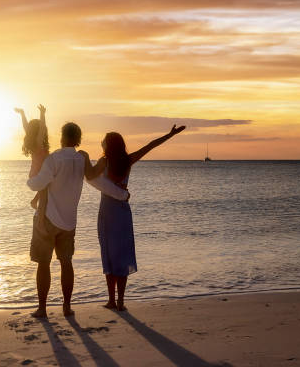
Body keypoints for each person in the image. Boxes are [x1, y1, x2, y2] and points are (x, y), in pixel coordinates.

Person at [27, 122, 130, 318]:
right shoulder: (81, 159)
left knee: (44, 263)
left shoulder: (54, 159)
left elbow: (36, 185)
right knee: (67, 264)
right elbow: (95, 179)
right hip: (69, 222)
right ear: (78, 139)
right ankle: (67, 307)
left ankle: (42, 309)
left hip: (47, 219)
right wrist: (121, 194)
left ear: (62, 137)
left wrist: (30, 178)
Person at [88, 124, 186, 311]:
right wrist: (169, 134)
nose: (101, 142)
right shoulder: (128, 160)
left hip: (107, 212)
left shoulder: (104, 162)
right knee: (122, 255)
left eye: (104, 141)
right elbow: (150, 146)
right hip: (123, 212)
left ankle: (111, 300)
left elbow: (90, 175)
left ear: (109, 145)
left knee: (109, 254)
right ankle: (120, 302)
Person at [15, 104, 49, 209]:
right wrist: (42, 113)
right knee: (50, 182)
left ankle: (35, 202)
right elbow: (42, 128)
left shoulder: (34, 144)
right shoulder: (38, 143)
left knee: (47, 187)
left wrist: (22, 114)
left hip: (34, 174)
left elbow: (26, 126)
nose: (42, 132)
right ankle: (35, 203)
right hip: (38, 175)